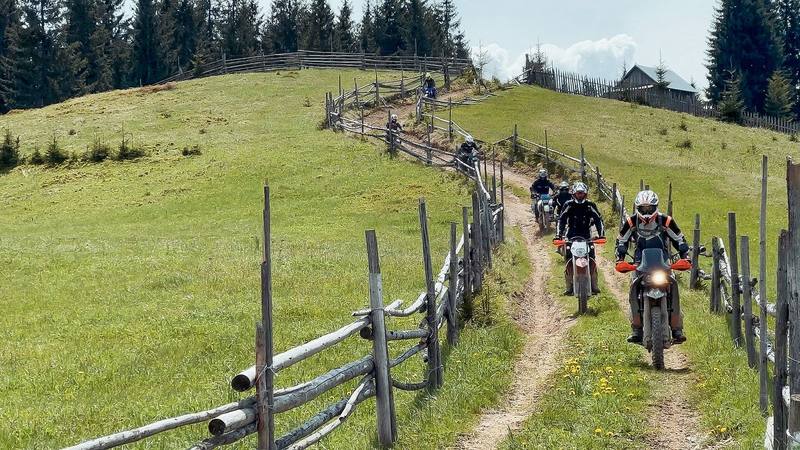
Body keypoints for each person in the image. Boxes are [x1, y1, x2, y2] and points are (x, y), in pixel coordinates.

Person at [616, 190, 690, 344]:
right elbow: (621, 241)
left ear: (655, 207)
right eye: (644, 208)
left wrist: (684, 255)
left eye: (650, 208)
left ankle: (677, 329)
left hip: (662, 262)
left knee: (674, 288)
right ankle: (636, 329)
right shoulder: (631, 222)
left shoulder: (666, 221)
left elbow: (679, 239)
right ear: (638, 208)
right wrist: (620, 258)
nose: (647, 211)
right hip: (639, 264)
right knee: (633, 291)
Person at [555, 182, 605, 295]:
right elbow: (561, 220)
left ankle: (594, 284)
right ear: (574, 193)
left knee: (592, 259)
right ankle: (569, 286)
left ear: (585, 194)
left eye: (582, 193)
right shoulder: (568, 205)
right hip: (571, 237)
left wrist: (601, 235)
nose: (580, 195)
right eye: (578, 193)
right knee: (568, 260)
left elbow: (598, 220)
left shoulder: (590, 205)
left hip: (587, 237)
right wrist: (558, 235)